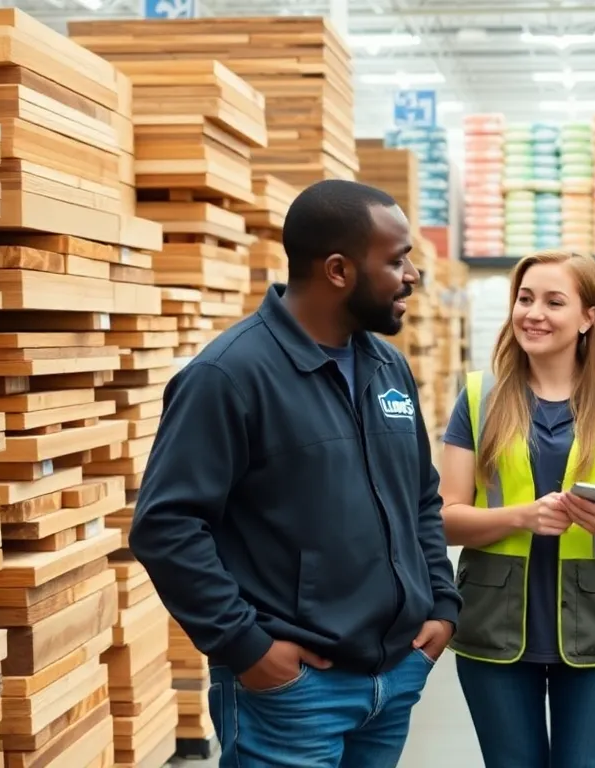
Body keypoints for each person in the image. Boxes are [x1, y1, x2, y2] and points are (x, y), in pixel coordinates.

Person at [130, 180, 459, 768]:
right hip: (294, 694)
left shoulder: (388, 368)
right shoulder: (229, 376)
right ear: (338, 270)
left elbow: (421, 498)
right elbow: (166, 526)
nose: (411, 276)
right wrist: (246, 645)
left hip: (394, 678)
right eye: (396, 260)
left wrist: (440, 604)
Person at [437, 249, 595, 768]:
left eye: (553, 302)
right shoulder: (479, 397)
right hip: (494, 626)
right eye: (525, 299)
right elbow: (444, 518)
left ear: (588, 317)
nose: (534, 314)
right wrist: (520, 517)